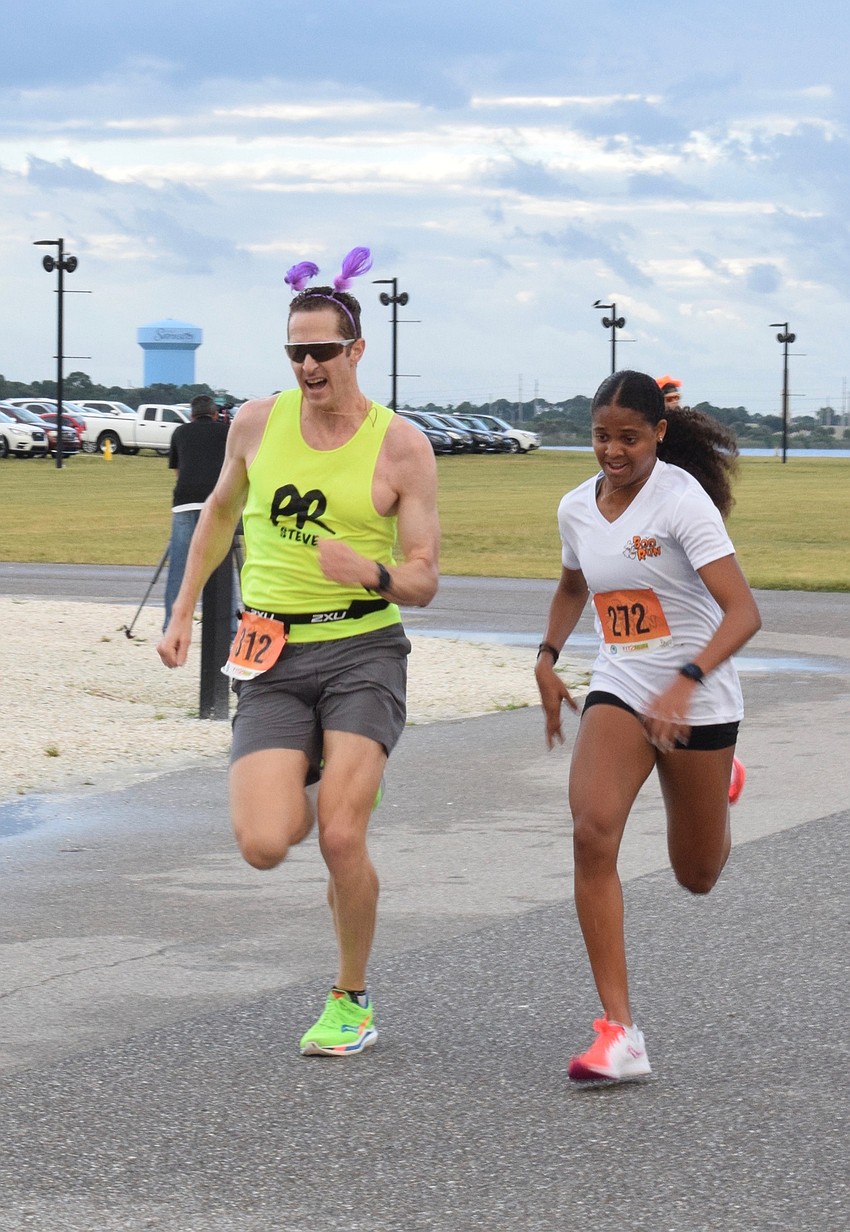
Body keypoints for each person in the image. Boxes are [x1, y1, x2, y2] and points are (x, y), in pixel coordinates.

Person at [157, 247, 440, 1057]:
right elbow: (215, 515)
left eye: (323, 350)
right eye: (296, 351)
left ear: (356, 351)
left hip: (362, 651)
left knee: (341, 837)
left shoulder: (401, 447)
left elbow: (423, 580)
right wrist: (181, 613)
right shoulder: (255, 421)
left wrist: (372, 570)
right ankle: (324, 764)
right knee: (264, 843)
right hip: (271, 656)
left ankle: (351, 998)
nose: (309, 365)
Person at [535, 370, 761, 1084]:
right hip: (622, 682)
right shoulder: (575, 507)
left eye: (628, 437)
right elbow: (575, 584)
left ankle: (721, 779)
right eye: (602, 436)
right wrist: (547, 656)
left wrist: (684, 682)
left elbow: (744, 613)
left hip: (698, 693)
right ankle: (619, 1032)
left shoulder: (681, 503)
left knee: (696, 875)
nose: (612, 451)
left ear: (659, 434)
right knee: (591, 829)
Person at [163, 394, 231, 629]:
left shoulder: (180, 433)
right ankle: (229, 625)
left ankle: (171, 624)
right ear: (215, 414)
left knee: (179, 569)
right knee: (221, 563)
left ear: (191, 415)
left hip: (184, 504)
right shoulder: (225, 431)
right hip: (215, 506)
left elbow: (178, 471)